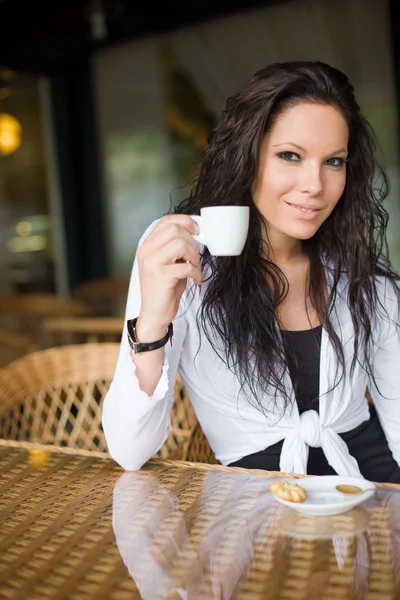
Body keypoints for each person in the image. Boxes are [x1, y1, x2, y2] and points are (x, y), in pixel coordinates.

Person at [102, 61, 400, 482]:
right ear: (248, 155)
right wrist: (153, 319)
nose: (315, 184)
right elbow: (130, 452)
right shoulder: (181, 256)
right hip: (252, 518)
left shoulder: (361, 270)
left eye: (334, 161)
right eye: (290, 156)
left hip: (369, 492)